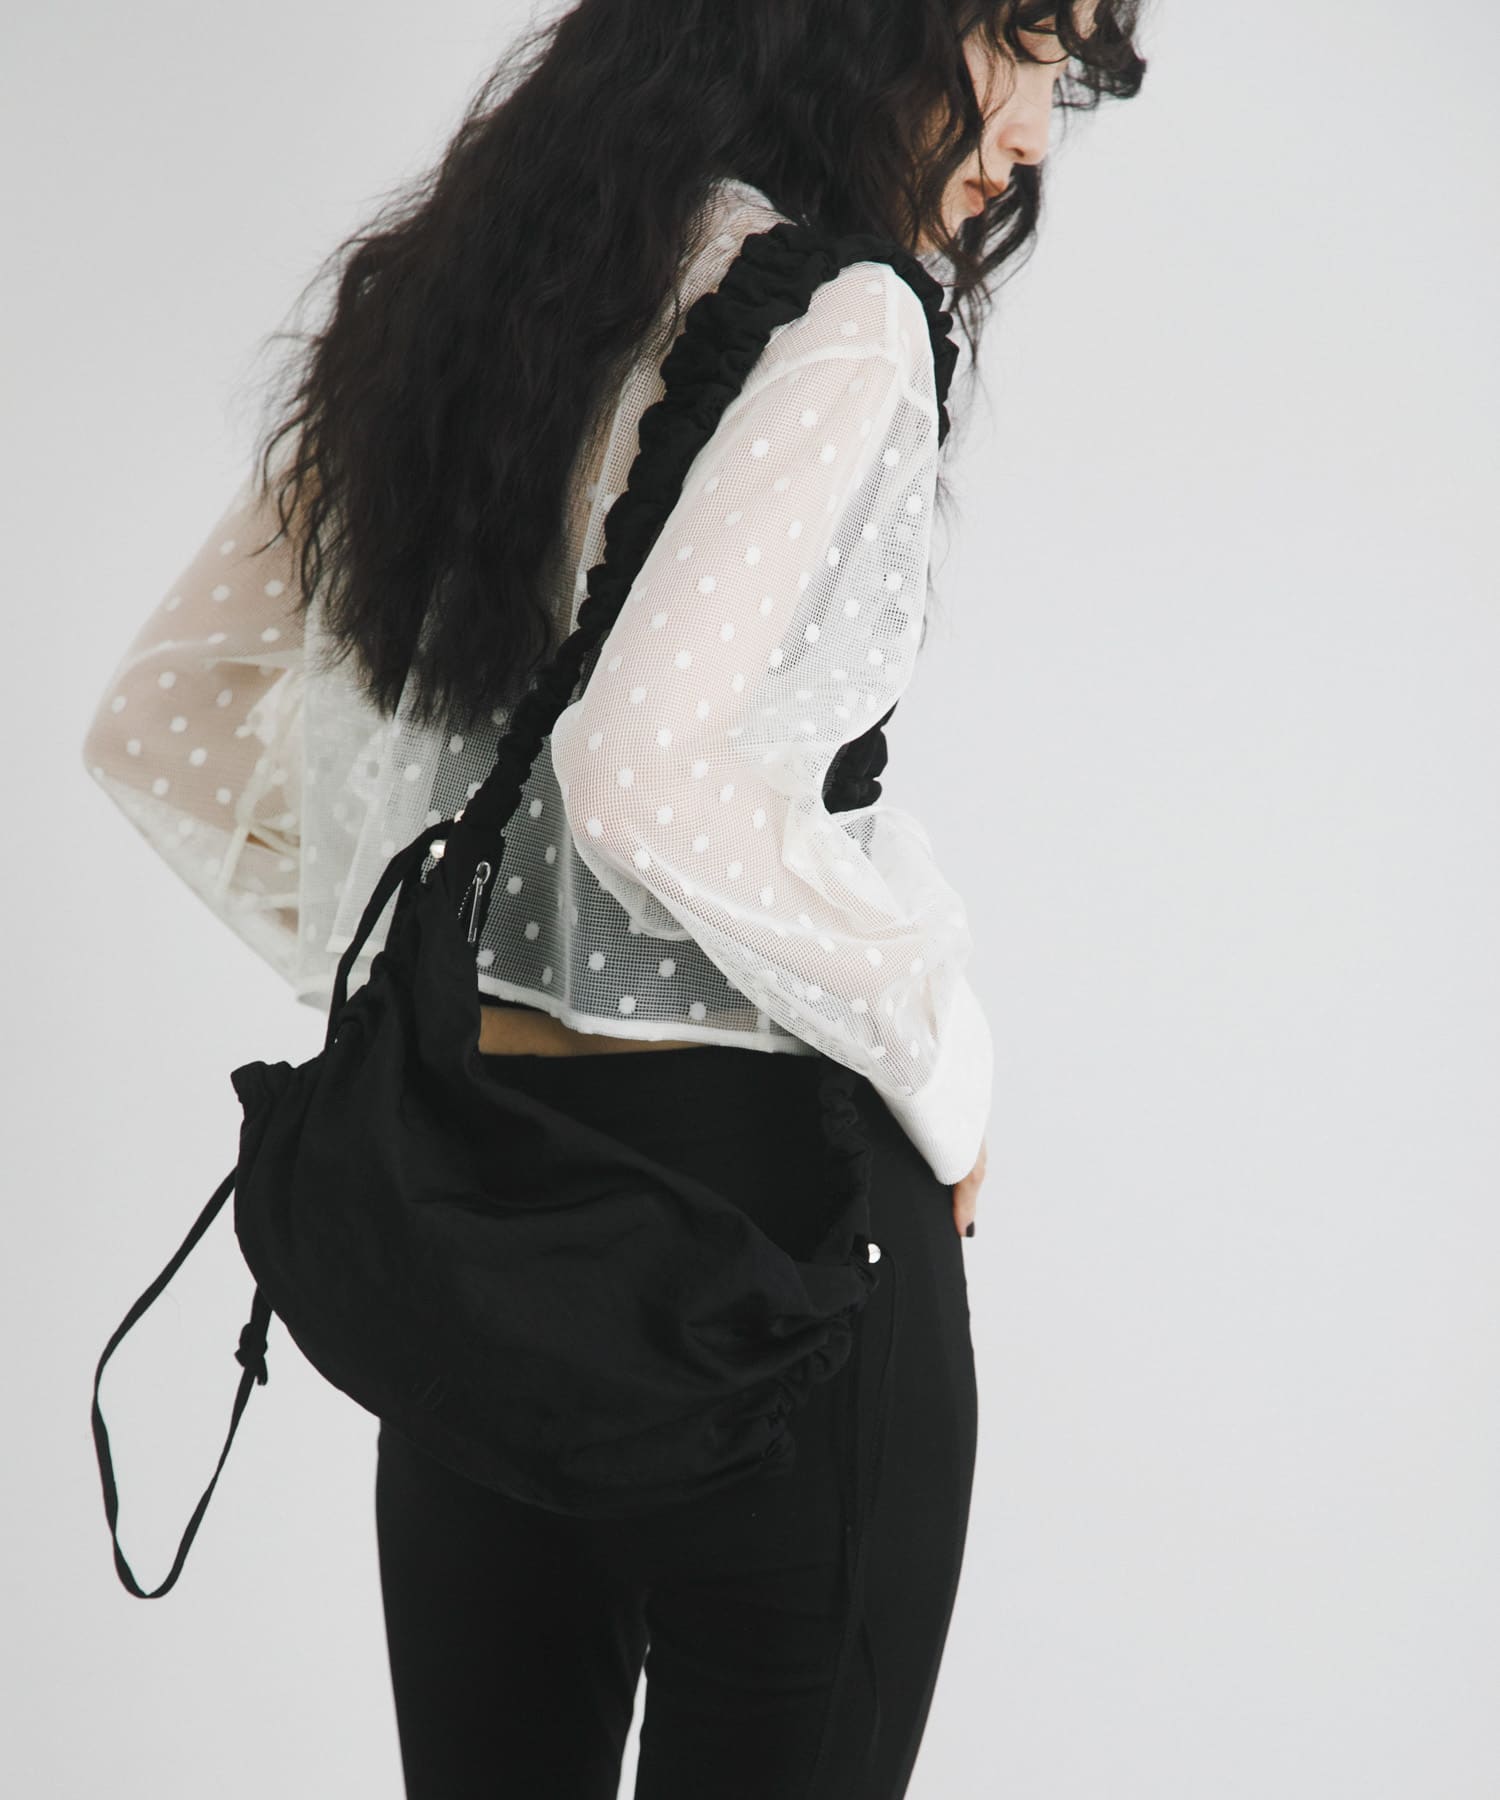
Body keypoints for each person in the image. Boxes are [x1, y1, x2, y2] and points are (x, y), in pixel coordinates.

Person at [80, 2, 1146, 1792]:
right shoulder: (842, 318)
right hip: (782, 1245)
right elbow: (641, 776)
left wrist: (446, 986)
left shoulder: (467, 303)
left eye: (1073, 79)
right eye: (1024, 44)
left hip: (483, 1238)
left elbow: (164, 723)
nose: (1038, 131)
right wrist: (940, 1045)